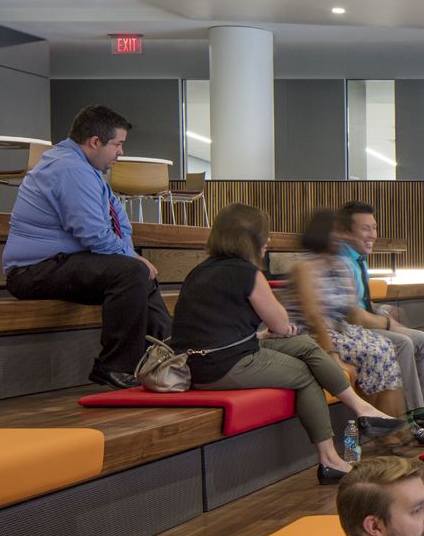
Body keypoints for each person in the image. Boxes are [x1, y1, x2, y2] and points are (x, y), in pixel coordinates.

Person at [170, 204, 402, 481]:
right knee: (306, 374)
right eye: (264, 235)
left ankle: (363, 409)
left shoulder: (199, 270)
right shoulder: (249, 274)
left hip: (203, 358)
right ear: (251, 239)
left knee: (303, 344)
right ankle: (330, 459)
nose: (268, 240)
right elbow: (280, 324)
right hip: (223, 365)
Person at [2, 104, 172, 387]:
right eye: (117, 144)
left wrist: (131, 255)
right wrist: (132, 260)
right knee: (132, 272)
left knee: (141, 275)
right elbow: (93, 233)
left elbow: (119, 221)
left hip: (61, 262)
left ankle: (169, 358)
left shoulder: (85, 168)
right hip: (33, 271)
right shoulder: (70, 169)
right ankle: (115, 365)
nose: (121, 152)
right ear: (95, 142)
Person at [290, 209, 424, 439]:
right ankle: (387, 431)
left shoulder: (337, 265)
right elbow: (314, 316)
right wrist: (334, 358)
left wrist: (384, 319)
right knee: (376, 352)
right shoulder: (305, 267)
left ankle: (392, 426)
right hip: (314, 333)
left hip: (339, 329)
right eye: (335, 232)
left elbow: (351, 309)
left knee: (385, 348)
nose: (340, 237)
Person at [334, 201, 424, 436]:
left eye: (374, 227)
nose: (373, 234)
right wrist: (387, 322)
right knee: (403, 342)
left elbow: (361, 302)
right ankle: (407, 418)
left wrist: (382, 310)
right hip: (347, 331)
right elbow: (350, 314)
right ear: (347, 232)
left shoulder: (358, 257)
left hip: (367, 321)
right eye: (365, 228)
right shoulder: (340, 261)